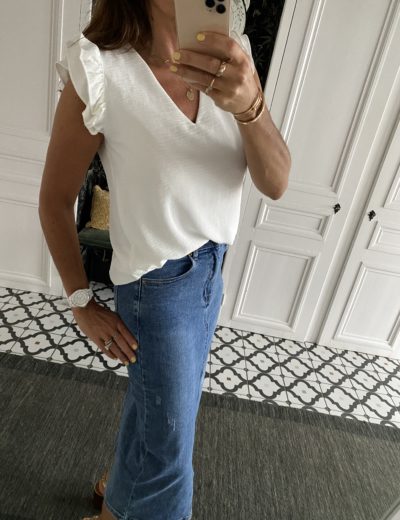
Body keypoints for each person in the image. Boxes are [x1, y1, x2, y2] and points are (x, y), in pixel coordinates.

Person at [38, 0, 291, 518]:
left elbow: (276, 182)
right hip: (157, 291)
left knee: (155, 411)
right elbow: (54, 200)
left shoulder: (233, 57)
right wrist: (81, 301)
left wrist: (251, 106)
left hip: (211, 273)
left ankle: (117, 497)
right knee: (171, 449)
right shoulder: (101, 70)